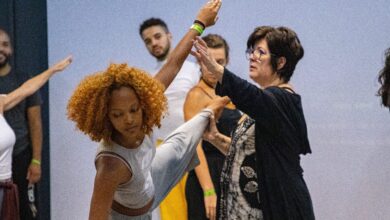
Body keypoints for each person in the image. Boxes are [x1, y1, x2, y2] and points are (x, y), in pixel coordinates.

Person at [67, 1, 222, 219]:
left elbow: (174, 63)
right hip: (132, 213)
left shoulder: (145, 105)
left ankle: (209, 111)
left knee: (187, 133)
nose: (129, 120)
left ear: (143, 105)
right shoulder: (110, 164)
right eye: (117, 115)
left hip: (151, 175)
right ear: (105, 118)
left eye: (133, 110)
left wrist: (199, 23)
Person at [192, 26, 315, 219]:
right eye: (252, 51)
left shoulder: (283, 100)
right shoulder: (267, 103)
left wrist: (215, 68)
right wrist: (215, 138)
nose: (252, 56)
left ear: (280, 62)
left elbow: (248, 95)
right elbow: (248, 156)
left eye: (261, 52)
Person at [0, 28, 70, 219]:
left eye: (4, 44)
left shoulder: (3, 101)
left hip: (12, 174)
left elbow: (26, 90)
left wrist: (52, 71)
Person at [139, 17, 201, 220]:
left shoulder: (193, 69)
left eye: (157, 36)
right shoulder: (148, 80)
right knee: (172, 215)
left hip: (195, 148)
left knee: (202, 209)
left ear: (169, 36)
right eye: (148, 41)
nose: (154, 43)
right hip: (163, 149)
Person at [184, 34, 241, 220]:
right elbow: (194, 146)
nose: (212, 67)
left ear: (227, 61)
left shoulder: (231, 92)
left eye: (219, 61)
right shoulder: (196, 95)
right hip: (207, 178)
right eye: (208, 61)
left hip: (231, 177)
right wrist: (208, 190)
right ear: (200, 61)